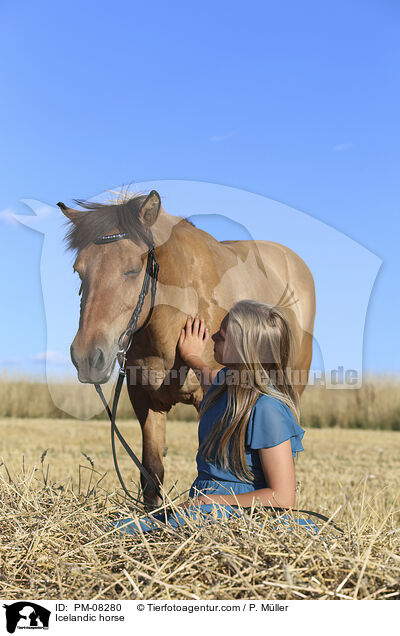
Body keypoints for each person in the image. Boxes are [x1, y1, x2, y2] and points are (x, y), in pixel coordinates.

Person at [112, 300, 319, 535]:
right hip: (203, 510)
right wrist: (190, 356)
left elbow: (282, 497)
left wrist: (213, 502)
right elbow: (207, 375)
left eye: (222, 335)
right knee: (117, 530)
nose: (212, 337)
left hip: (238, 516)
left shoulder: (267, 409)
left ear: (243, 347)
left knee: (144, 534)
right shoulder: (224, 385)